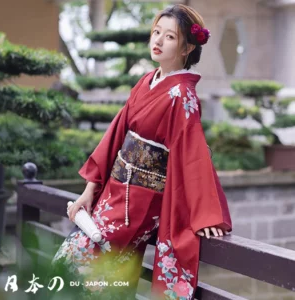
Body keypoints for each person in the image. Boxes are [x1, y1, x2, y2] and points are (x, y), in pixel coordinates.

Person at [52, 4, 232, 300]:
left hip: (141, 200)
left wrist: (205, 215)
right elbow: (115, 136)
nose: (158, 41)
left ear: (187, 47)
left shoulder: (181, 95)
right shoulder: (146, 81)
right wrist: (89, 189)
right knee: (101, 271)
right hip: (113, 191)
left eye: (169, 37)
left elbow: (193, 154)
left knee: (78, 259)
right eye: (156, 33)